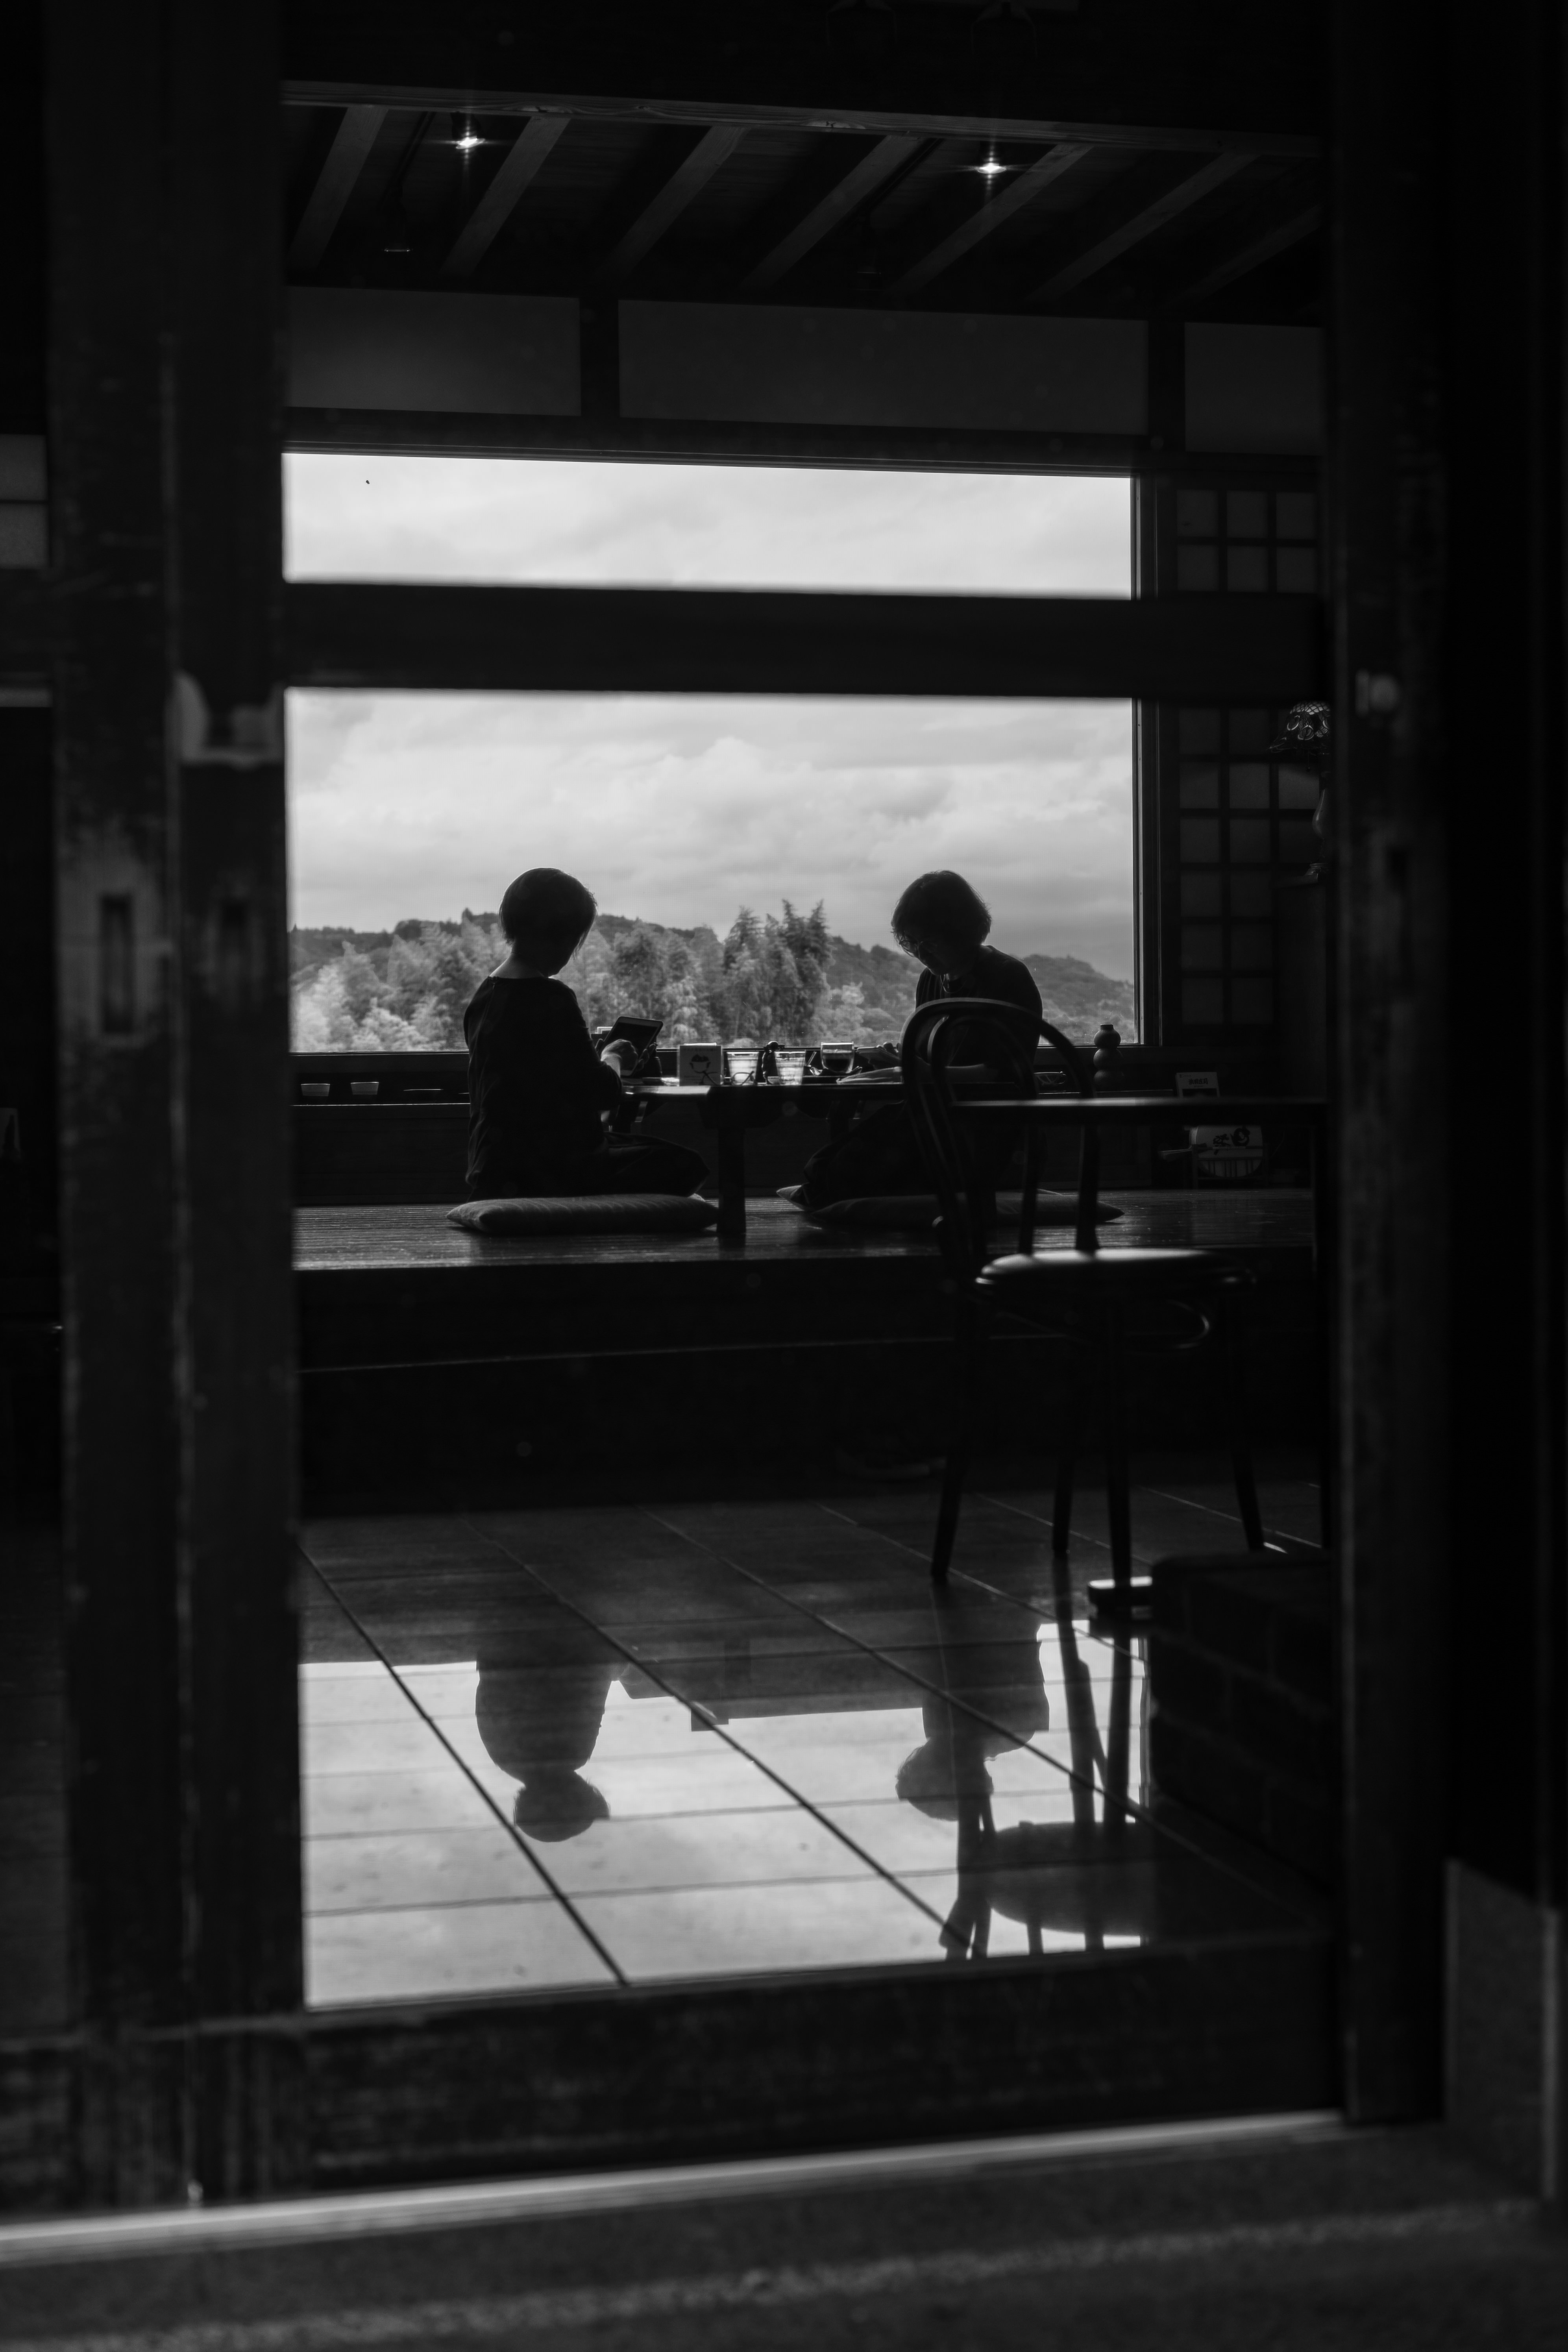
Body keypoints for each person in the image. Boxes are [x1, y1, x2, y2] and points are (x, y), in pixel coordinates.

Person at [797, 869, 1042, 1209]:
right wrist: (898, 1062)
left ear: (965, 931)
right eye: (912, 944)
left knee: (838, 1177)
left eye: (931, 943)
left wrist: (925, 1072)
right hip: (930, 1113)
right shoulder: (931, 980)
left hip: (982, 1123)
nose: (922, 954)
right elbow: (923, 1062)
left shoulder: (1005, 977)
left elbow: (1002, 1074)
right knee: (822, 1171)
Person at [464, 867, 710, 1200]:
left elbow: (537, 1086)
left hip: (492, 1168)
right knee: (687, 1165)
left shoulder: (483, 997)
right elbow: (603, 1093)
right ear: (565, 935)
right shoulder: (551, 997)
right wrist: (612, 1057)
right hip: (551, 1170)